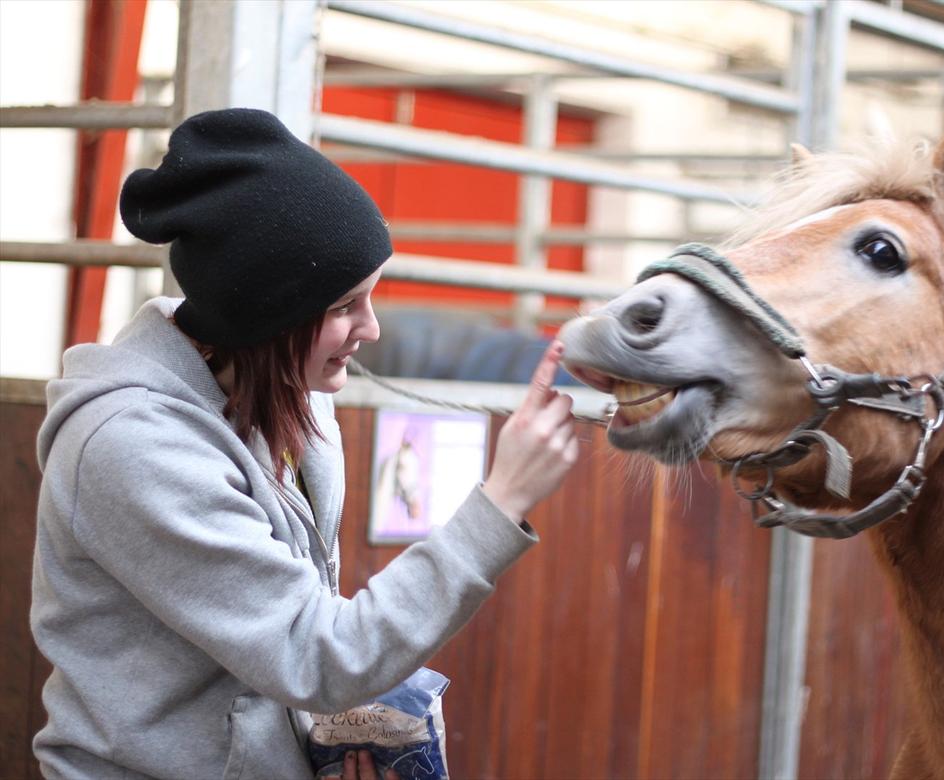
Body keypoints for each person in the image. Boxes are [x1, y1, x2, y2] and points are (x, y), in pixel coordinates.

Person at [30, 108, 579, 780]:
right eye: (346, 305)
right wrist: (502, 501)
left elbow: (285, 632)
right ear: (270, 314)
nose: (371, 329)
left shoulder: (291, 400)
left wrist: (333, 725)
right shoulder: (132, 448)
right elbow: (313, 653)